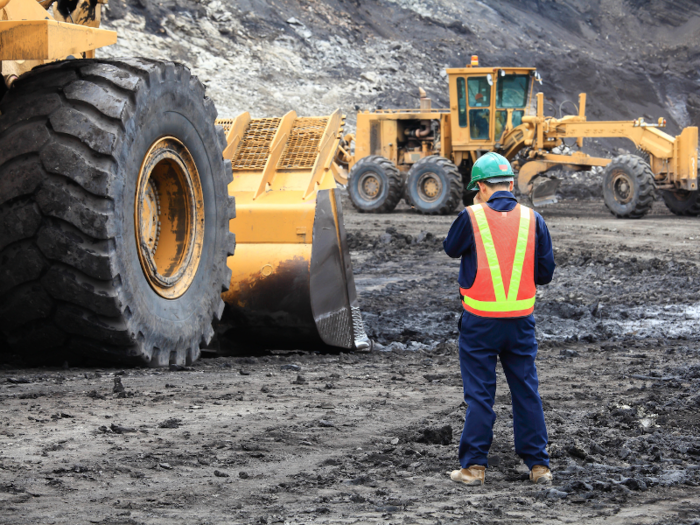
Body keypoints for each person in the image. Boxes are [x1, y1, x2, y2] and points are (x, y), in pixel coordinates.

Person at [443, 152, 556, 486]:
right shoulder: (533, 219)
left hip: (479, 323)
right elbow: (545, 274)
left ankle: (474, 468)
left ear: (480, 187)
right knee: (526, 391)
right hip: (521, 323)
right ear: (510, 183)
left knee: (480, 395)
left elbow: (451, 248)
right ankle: (539, 467)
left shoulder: (472, 216)